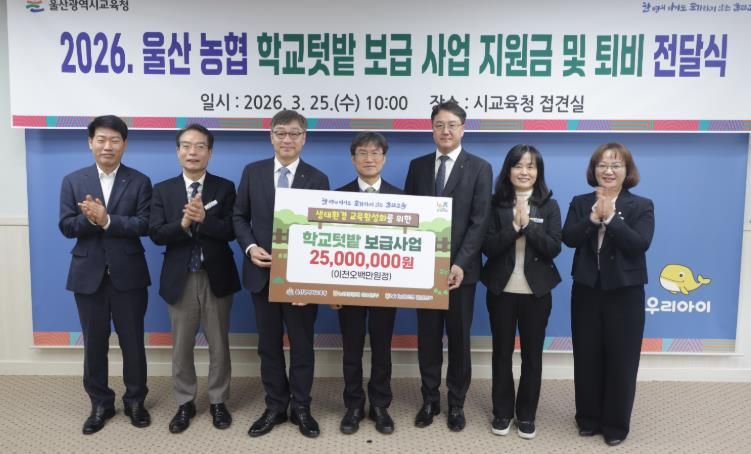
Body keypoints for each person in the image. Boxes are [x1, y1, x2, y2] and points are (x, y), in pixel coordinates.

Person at [233, 110, 330, 438]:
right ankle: (275, 405)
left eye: (294, 133)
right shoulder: (253, 172)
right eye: (280, 133)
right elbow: (238, 216)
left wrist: (311, 280)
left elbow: (322, 230)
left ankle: (301, 406)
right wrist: (250, 248)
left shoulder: (317, 178)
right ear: (271, 136)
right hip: (262, 275)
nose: (287, 139)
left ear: (304, 138)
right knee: (268, 345)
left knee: (302, 345)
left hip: (301, 280)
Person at [58, 115, 152, 434]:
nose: (107, 146)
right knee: (94, 343)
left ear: (124, 144)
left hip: (129, 274)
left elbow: (144, 225)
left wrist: (107, 220)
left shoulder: (139, 181)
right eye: (101, 139)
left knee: (133, 342)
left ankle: (135, 401)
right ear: (90, 142)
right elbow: (66, 226)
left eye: (114, 140)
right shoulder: (73, 180)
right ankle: (100, 403)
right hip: (88, 275)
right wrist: (91, 220)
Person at [404, 101, 492, 432]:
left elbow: (480, 222)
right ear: (432, 129)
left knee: (458, 340)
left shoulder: (480, 168)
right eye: (439, 125)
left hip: (460, 274)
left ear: (463, 129)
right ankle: (429, 400)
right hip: (423, 271)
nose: (445, 131)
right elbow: (409, 216)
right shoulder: (417, 166)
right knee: (427, 339)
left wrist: (460, 263)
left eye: (452, 125)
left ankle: (456, 403)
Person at [149, 124, 241, 434]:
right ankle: (185, 402)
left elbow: (232, 230)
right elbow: (156, 233)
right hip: (180, 278)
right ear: (178, 151)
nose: (193, 152)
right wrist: (184, 223)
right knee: (181, 346)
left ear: (209, 152)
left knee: (219, 344)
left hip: (216, 276)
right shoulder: (162, 190)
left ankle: (218, 401)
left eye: (200, 146)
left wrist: (205, 219)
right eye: (186, 146)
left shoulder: (224, 187)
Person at [562, 143, 654, 447]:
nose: (609, 171)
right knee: (586, 355)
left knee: (622, 360)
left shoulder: (641, 205)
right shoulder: (580, 202)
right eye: (602, 165)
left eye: (616, 165)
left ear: (627, 171)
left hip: (625, 293)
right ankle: (588, 418)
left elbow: (639, 244)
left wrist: (612, 218)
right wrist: (592, 219)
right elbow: (568, 238)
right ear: (594, 170)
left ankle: (615, 425)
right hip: (586, 290)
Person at [480, 145, 561, 439]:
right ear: (508, 170)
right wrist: (514, 226)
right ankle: (502, 412)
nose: (524, 172)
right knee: (501, 353)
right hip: (501, 290)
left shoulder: (549, 205)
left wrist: (530, 227)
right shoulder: (495, 204)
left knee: (532, 356)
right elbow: (487, 247)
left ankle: (526, 415)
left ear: (538, 172)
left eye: (531, 166)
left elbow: (554, 248)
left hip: (536, 292)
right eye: (518, 166)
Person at [333, 132, 402, 435]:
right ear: (353, 159)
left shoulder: (401, 199)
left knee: (382, 348)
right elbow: (330, 247)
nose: (369, 159)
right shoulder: (337, 197)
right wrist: (332, 290)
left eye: (375, 153)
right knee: (351, 349)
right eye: (363, 153)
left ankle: (380, 405)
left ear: (384, 159)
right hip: (347, 287)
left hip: (386, 286)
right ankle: (353, 405)